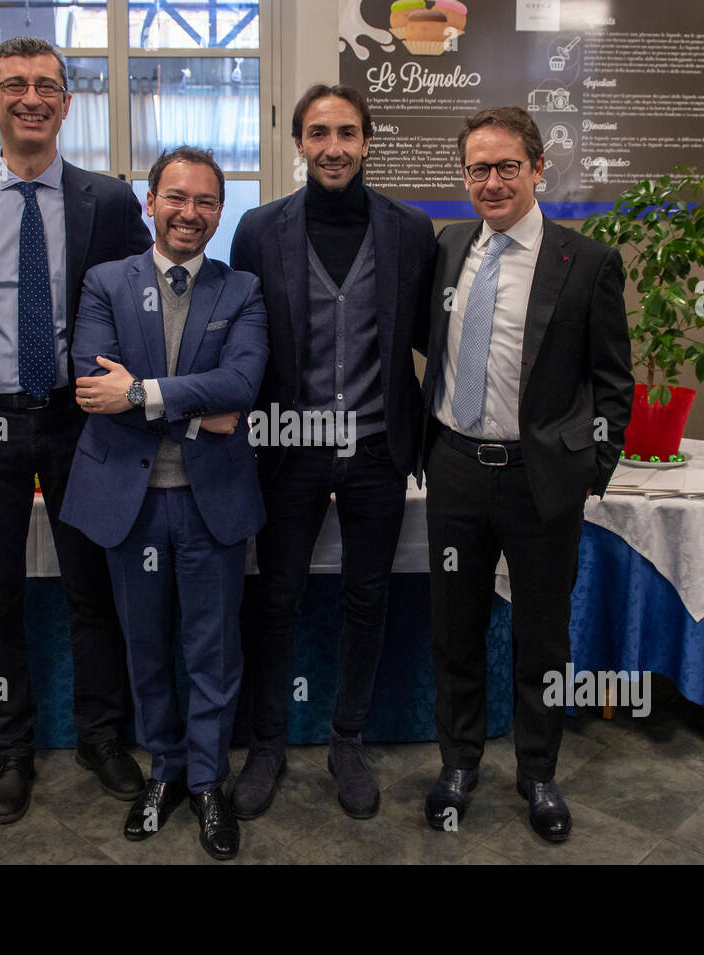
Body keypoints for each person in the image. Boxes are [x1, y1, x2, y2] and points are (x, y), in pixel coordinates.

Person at [0, 36, 152, 825]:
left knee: (95, 590)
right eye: (13, 85)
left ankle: (101, 734)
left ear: (66, 103)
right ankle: (11, 746)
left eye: (47, 85)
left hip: (81, 428)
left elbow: (136, 313)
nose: (31, 98)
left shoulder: (109, 203)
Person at [419, 106, 632, 842]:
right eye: (478, 167)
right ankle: (459, 762)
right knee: (455, 628)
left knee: (542, 637)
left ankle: (538, 772)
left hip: (542, 483)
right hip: (453, 469)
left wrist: (588, 471)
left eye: (508, 165)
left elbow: (613, 381)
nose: (492, 180)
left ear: (539, 169)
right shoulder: (448, 250)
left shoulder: (589, 263)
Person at [228, 83, 436, 821]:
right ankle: (268, 744)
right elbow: (243, 334)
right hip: (291, 447)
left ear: (368, 140)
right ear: (299, 143)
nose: (334, 146)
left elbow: (431, 343)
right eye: (319, 133)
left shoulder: (412, 231)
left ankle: (347, 739)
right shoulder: (258, 229)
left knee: (367, 596)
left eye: (347, 132)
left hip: (378, 447)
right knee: (277, 597)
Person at [60, 146, 268, 861]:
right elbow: (95, 388)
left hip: (212, 502)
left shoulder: (240, 289)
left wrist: (144, 394)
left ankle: (209, 781)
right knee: (145, 649)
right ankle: (166, 772)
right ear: (150, 202)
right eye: (176, 198)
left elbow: (241, 385)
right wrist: (188, 411)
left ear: (219, 212)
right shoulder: (103, 283)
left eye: (205, 201)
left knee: (213, 651)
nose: (190, 213)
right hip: (130, 501)